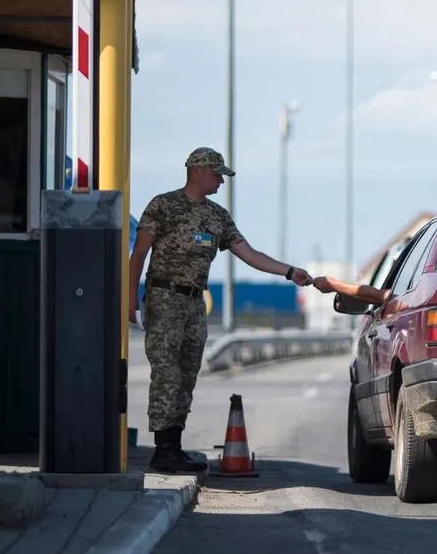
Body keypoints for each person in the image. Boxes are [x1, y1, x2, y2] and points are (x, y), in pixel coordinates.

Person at [129, 146, 313, 473]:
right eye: (217, 175)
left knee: (187, 374)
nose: (221, 182)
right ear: (197, 171)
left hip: (195, 303)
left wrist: (289, 272)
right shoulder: (163, 205)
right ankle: (164, 449)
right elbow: (139, 254)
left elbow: (250, 254)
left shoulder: (217, 216)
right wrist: (130, 298)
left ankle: (174, 446)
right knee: (167, 374)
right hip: (164, 299)